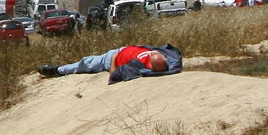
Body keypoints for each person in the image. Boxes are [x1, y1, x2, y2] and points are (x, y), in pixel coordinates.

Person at [37, 44, 183, 83]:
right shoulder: (164, 56)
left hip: (111, 58)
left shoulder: (136, 65)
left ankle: (57, 70)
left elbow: (113, 76)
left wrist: (114, 59)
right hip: (122, 50)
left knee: (85, 63)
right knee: (87, 61)